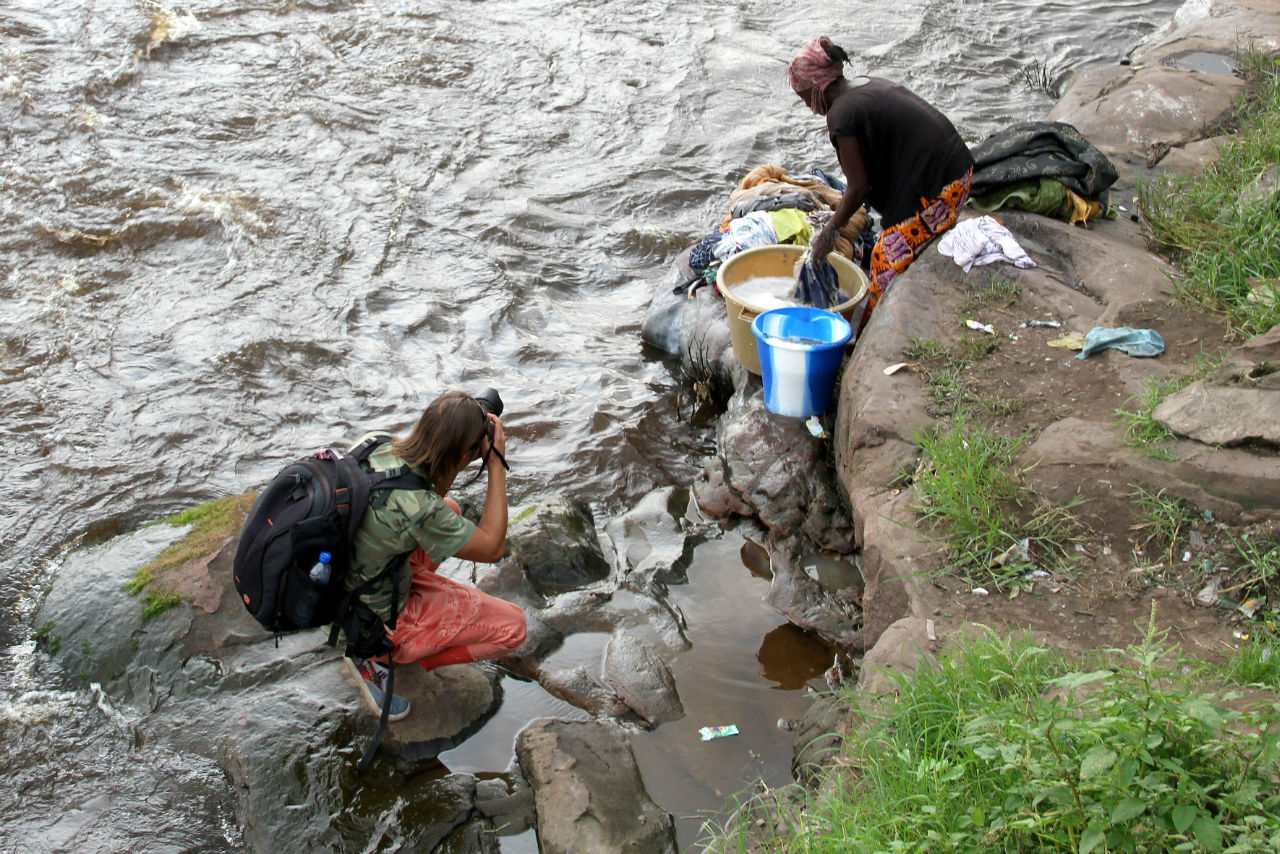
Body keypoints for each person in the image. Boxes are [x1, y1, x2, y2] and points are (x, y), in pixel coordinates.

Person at [343, 390, 527, 721]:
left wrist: (456, 441)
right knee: (513, 628)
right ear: (460, 454)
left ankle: (380, 639)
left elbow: (428, 492)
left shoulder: (377, 442)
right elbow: (493, 547)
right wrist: (496, 462)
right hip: (373, 621)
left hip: (347, 588)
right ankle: (381, 658)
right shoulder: (421, 511)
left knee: (451, 508)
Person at [788, 36, 975, 328]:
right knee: (887, 244)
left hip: (942, 191)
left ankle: (866, 338)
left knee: (884, 262)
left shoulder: (842, 113)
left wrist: (830, 232)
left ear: (818, 86)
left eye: (805, 97)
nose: (810, 108)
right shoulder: (866, 84)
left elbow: (859, 187)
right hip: (960, 172)